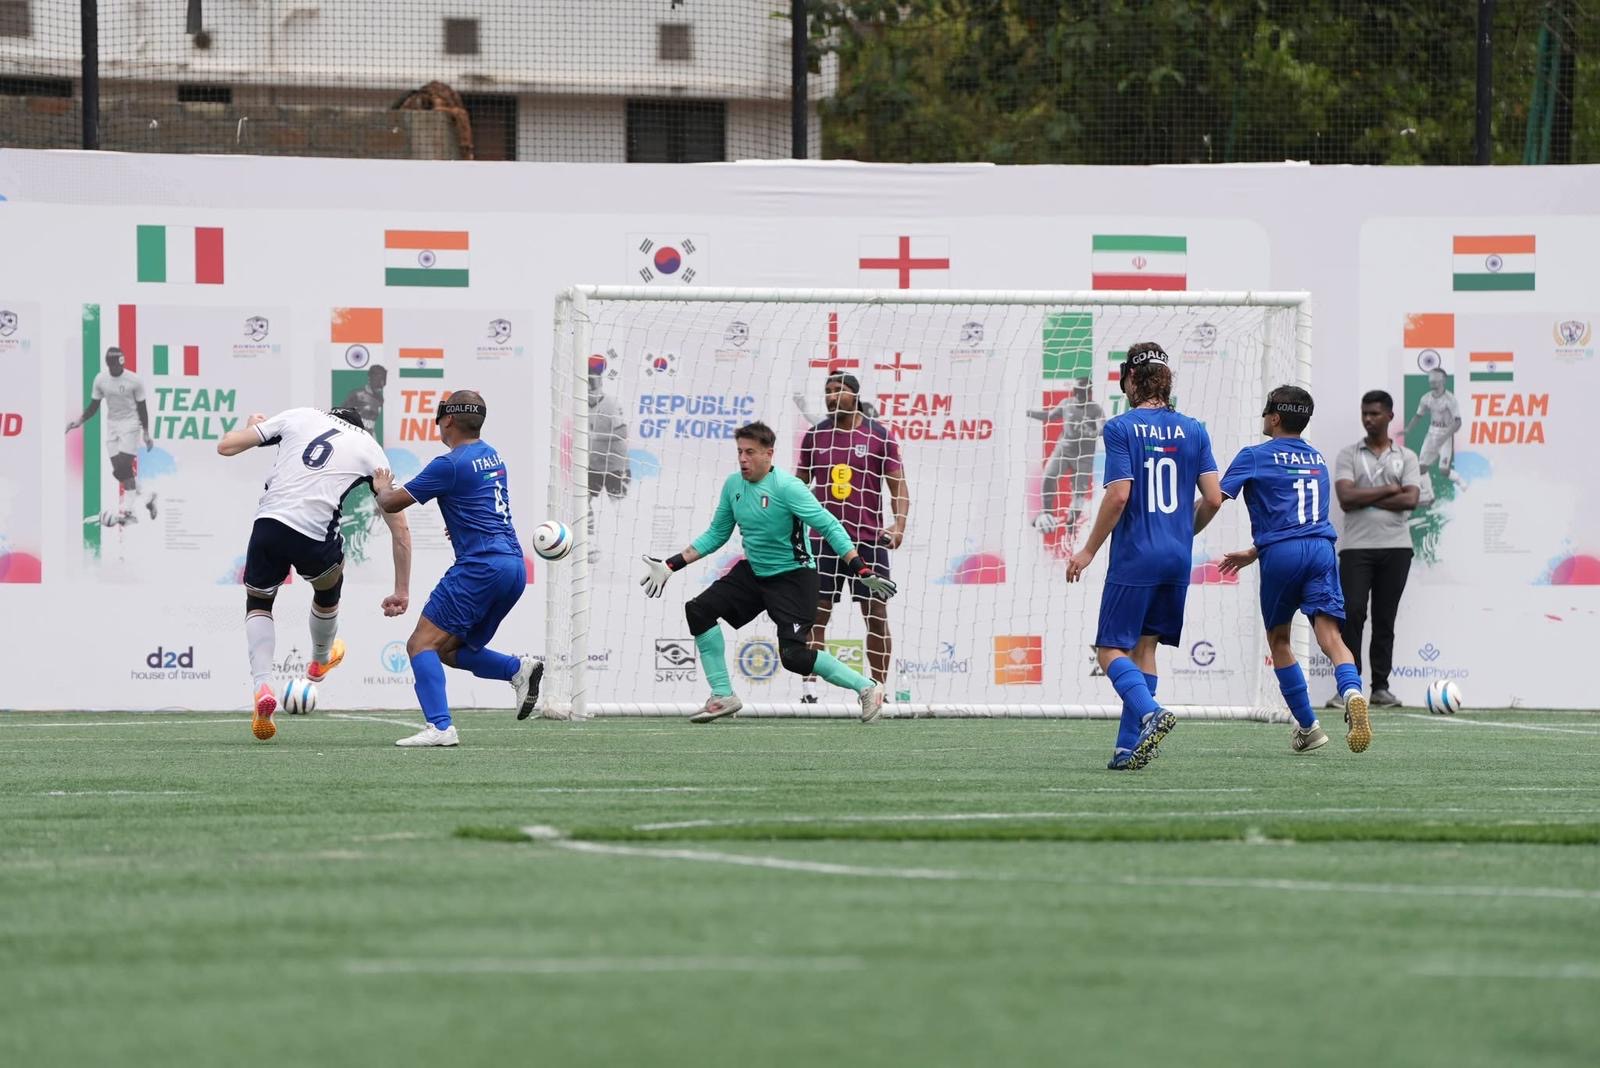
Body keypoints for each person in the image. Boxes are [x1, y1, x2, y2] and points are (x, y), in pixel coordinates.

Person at [639, 420, 897, 724]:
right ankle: (723, 694)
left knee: (793, 657)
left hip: (794, 578)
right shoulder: (733, 485)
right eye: (739, 452)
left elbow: (829, 526)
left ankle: (867, 687)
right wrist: (671, 564)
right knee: (699, 610)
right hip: (754, 573)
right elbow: (717, 534)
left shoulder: (788, 488)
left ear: (769, 454)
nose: (743, 459)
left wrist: (860, 568)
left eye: (750, 452)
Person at [1067, 343, 1221, 770]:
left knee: (1109, 650)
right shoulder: (1195, 429)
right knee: (1145, 647)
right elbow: (1213, 498)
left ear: (1131, 380)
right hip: (1177, 557)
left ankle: (1150, 711)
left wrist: (1088, 549)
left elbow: (1118, 497)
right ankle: (1126, 749)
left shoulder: (1121, 427)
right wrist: (1179, 534)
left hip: (1136, 555)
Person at [216, 406, 412, 741]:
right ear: (360, 427)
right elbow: (400, 528)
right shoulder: (369, 447)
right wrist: (402, 589)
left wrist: (250, 427)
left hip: (269, 525)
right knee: (328, 586)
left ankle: (262, 685)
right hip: (313, 536)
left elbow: (227, 446)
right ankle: (319, 661)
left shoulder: (301, 415)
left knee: (259, 602)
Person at [1205, 386, 1372, 754]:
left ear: (1275, 417)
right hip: (1322, 551)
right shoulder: (1317, 459)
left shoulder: (1253, 456)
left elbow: (1215, 498)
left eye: (1266, 411)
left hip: (1282, 555)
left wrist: (1182, 529)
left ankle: (1308, 727)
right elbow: (1304, 519)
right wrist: (1253, 551)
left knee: (1279, 640)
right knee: (1332, 638)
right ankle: (1353, 692)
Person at [371, 390, 543, 747]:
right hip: (513, 568)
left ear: (447, 419)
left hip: (480, 567)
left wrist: (381, 486)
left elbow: (391, 502)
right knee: (448, 650)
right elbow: (481, 504)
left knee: (420, 644)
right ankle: (517, 669)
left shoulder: (448, 464)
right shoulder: (493, 456)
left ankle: (440, 727)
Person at [796, 371, 909, 700]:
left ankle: (879, 690)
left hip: (869, 541)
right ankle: (809, 691)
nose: (832, 396)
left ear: (855, 395)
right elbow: (798, 485)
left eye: (839, 390)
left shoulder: (879, 436)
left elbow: (899, 487)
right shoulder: (815, 436)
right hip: (823, 541)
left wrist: (899, 525)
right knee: (816, 615)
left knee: (875, 615)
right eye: (828, 391)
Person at [1329, 390, 1421, 709]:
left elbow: (1410, 499)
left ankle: (1380, 688)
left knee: (1385, 617)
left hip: (1396, 548)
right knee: (1352, 613)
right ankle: (1349, 689)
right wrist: (1388, 490)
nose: (1369, 419)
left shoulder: (1406, 457)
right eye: (1365, 413)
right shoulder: (1348, 455)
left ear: (1390, 417)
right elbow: (1346, 499)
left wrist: (1365, 495)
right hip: (1356, 548)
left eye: (1375, 414)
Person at [67, 346, 157, 526]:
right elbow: (94, 405)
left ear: (122, 363)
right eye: (111, 366)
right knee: (121, 473)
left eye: (117, 366)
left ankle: (129, 512)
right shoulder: (101, 379)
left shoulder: (134, 380)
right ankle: (148, 497)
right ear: (108, 364)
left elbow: (142, 408)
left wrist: (146, 433)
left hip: (131, 425)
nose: (115, 369)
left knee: (122, 467)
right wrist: (79, 421)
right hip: (112, 427)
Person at [1028, 376, 1104, 546]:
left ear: (1089, 393)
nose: (1079, 395)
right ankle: (1047, 513)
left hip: (1084, 456)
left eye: (1083, 392)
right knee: (1048, 476)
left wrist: (1092, 431)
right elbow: (1048, 416)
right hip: (1064, 450)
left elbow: (1103, 428)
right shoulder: (1066, 403)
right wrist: (1027, 412)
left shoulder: (1095, 409)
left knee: (1078, 495)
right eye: (1077, 391)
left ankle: (1072, 525)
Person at [586, 370, 631, 562]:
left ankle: (631, 550)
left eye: (592, 385)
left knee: (622, 510)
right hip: (594, 466)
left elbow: (623, 432)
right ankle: (589, 543)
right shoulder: (581, 406)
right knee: (583, 501)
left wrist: (597, 437)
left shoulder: (611, 403)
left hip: (616, 465)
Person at [1402, 369, 1462, 506]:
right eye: (1430, 380)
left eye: (1435, 380)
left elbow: (1458, 422)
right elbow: (1418, 415)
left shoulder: (1450, 399)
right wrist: (1408, 429)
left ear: (1443, 381)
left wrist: (1446, 435)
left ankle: (1461, 483)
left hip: (1445, 435)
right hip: (1431, 434)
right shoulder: (1425, 398)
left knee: (1443, 471)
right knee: (1421, 467)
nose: (1432, 382)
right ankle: (1430, 497)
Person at [340, 364, 388, 436]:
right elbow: (341, 415)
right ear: (370, 378)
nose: (381, 385)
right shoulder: (356, 395)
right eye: (378, 380)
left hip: (368, 438)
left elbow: (371, 425)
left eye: (383, 381)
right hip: (353, 436)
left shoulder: (380, 399)